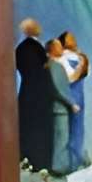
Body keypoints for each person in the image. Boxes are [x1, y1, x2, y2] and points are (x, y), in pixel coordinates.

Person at [13, 18, 56, 174]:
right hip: (40, 95)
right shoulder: (37, 47)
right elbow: (43, 71)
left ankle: (26, 159)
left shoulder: (19, 48)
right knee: (40, 129)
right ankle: (39, 162)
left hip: (25, 93)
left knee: (26, 127)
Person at [54, 32, 91, 174]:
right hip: (69, 96)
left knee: (78, 129)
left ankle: (76, 160)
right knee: (68, 129)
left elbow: (87, 73)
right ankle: (68, 164)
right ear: (63, 42)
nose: (74, 39)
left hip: (80, 96)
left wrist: (83, 61)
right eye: (70, 38)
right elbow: (70, 78)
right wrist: (82, 63)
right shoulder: (62, 58)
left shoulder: (78, 56)